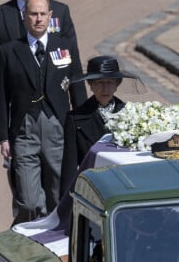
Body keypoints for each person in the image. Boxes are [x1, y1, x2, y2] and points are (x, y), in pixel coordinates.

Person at [0, 0, 86, 225]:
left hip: (57, 129)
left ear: (50, 16)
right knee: (29, 201)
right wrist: (4, 137)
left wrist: (82, 129)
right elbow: (2, 98)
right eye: (33, 14)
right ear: (24, 16)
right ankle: (27, 227)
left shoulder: (65, 46)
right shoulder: (9, 51)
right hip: (24, 131)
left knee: (59, 194)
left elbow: (77, 89)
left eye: (43, 14)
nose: (38, 19)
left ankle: (53, 238)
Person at [0, 0, 83, 120]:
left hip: (54, 100)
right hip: (16, 98)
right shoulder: (0, 15)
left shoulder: (60, 11)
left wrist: (79, 104)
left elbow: (73, 60)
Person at [58, 56, 140, 231]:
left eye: (110, 82)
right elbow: (70, 167)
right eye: (100, 83)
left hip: (124, 192)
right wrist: (66, 207)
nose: (105, 88)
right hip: (94, 193)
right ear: (91, 85)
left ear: (117, 84)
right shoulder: (75, 119)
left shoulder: (131, 115)